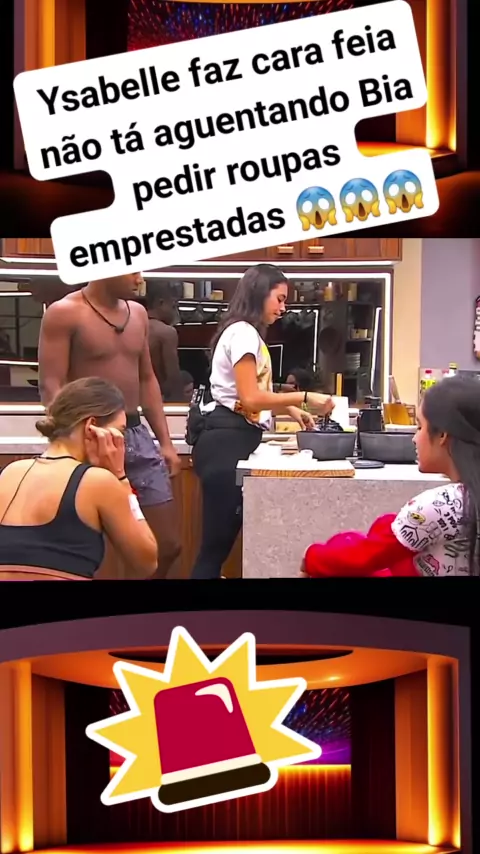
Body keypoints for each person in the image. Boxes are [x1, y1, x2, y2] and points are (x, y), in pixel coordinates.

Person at [189, 263, 335, 580]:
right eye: (279, 299)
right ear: (259, 294)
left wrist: (290, 410)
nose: (283, 308)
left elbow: (248, 396)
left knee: (217, 547)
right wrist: (304, 397)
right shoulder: (243, 333)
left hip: (229, 441)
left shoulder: (243, 332)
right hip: (225, 444)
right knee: (213, 550)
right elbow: (251, 398)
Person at [38, 273, 181, 579]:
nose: (139, 279)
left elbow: (147, 379)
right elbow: (51, 385)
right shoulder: (65, 313)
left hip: (135, 433)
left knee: (166, 545)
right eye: (132, 270)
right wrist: (73, 437)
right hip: (87, 436)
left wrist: (166, 442)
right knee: (93, 552)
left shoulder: (138, 314)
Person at [302, 375, 480, 578]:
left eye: (419, 427)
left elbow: (363, 557)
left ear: (442, 435)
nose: (415, 438)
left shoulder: (439, 505)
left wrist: (311, 557)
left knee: (343, 547)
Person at [0, 377, 158, 580]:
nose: (122, 444)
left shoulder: (9, 472)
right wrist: (121, 478)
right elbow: (147, 562)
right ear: (92, 427)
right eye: (120, 432)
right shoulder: (98, 482)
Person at [146, 281, 183, 402]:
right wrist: (180, 404)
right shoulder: (166, 332)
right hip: (158, 395)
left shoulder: (132, 326)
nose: (175, 312)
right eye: (173, 306)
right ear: (160, 303)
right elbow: (173, 377)